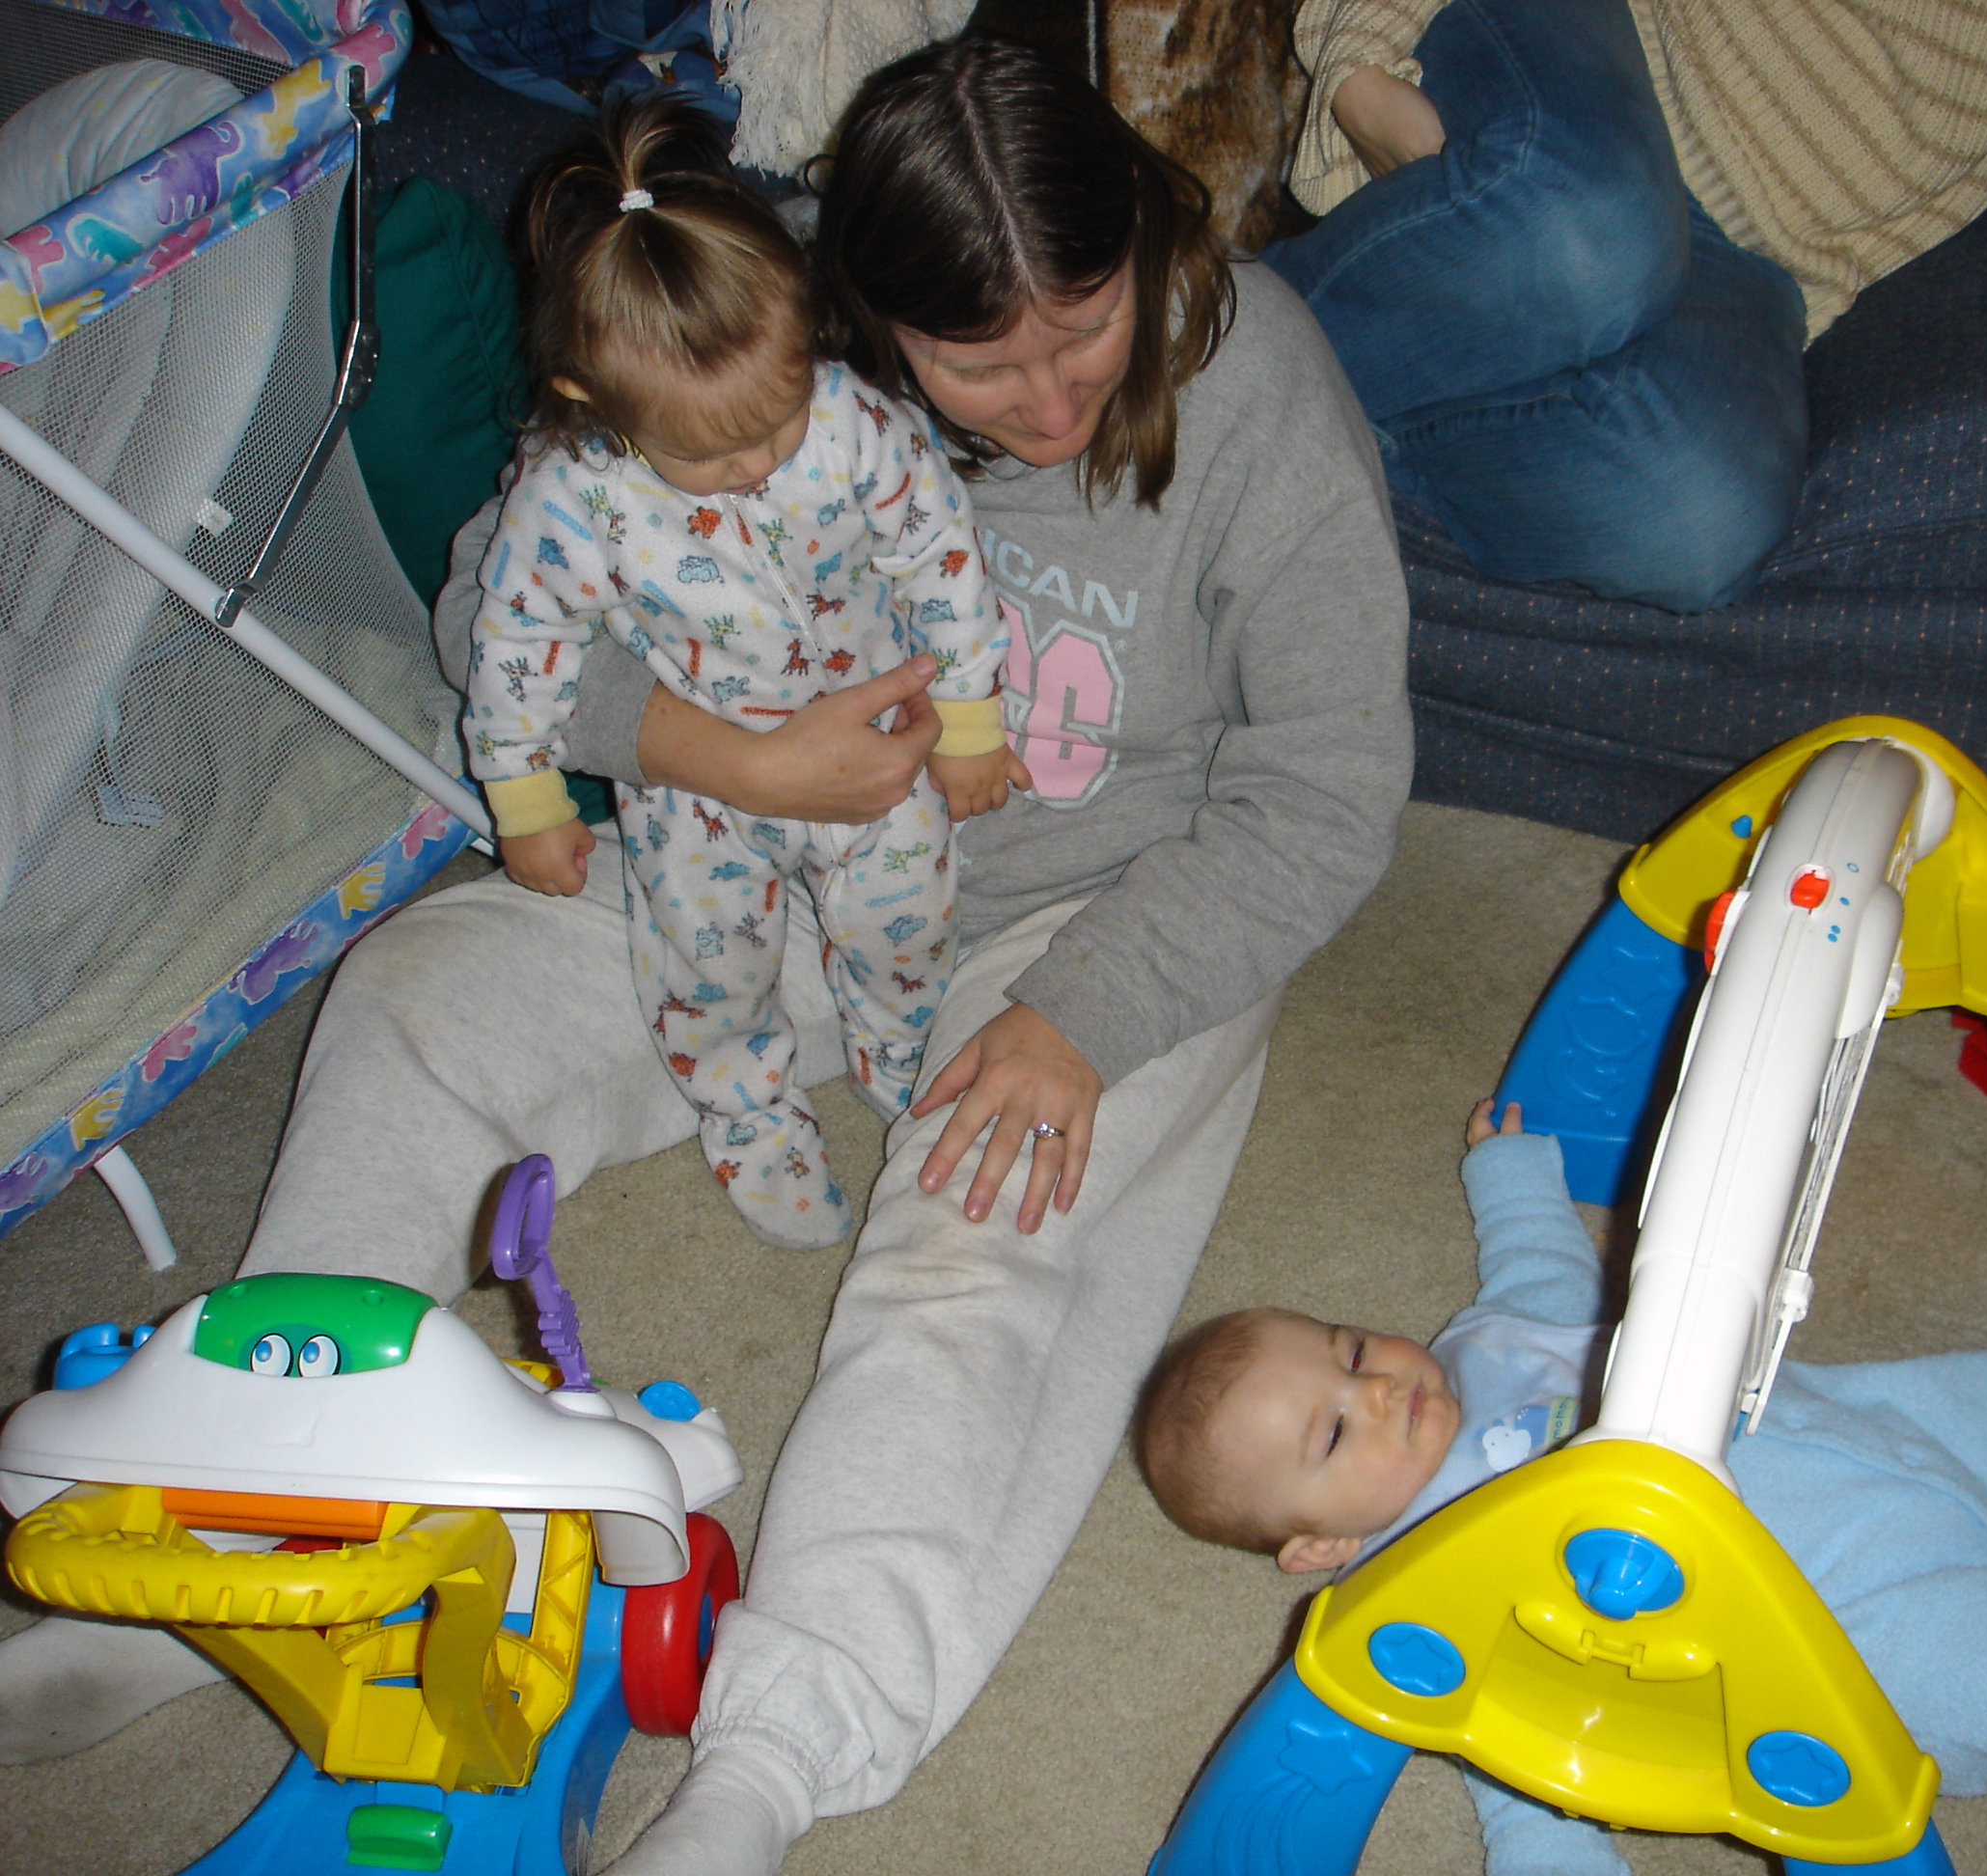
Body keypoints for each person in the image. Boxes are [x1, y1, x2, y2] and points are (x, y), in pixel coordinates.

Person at [0, 35, 1414, 1876]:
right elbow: (494, 604)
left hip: (1098, 905)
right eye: (982, 362)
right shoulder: (744, 322)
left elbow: (1327, 789)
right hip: (748, 850)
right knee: (418, 1000)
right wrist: (722, 758)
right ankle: (255, 1513)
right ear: (865, 320)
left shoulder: (1255, 387)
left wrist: (1086, 1015)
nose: (1055, 396)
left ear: (1143, 237)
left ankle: (768, 1763)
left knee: (972, 1243)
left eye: (1088, 324)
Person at [1136, 1100, 1987, 1865]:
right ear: (1318, 1549)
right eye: (1335, 1435)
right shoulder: (1432, 1596)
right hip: (1842, 1615)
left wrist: (1508, 1177)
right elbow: (1523, 1765)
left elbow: (1537, 1266)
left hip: (1869, 1426)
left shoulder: (1484, 1346)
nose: (1378, 1390)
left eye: (1351, 1350)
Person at [467, 93, 1016, 1249]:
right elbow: (521, 642)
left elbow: (943, 555)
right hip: (701, 788)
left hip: (879, 742)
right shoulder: (574, 496)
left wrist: (970, 716)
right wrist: (522, 794)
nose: (759, 463)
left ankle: (899, 1055)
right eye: (713, 451)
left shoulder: (853, 425)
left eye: (778, 418)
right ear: (591, 403)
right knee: (707, 969)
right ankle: (747, 1113)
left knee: (909, 923)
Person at [1265, 0, 1987, 612]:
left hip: (1750, 254)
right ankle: (1199, 354)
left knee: (1699, 516)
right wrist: (1359, 66)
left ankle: (1255, 415)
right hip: (1596, 43)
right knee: (1590, 233)